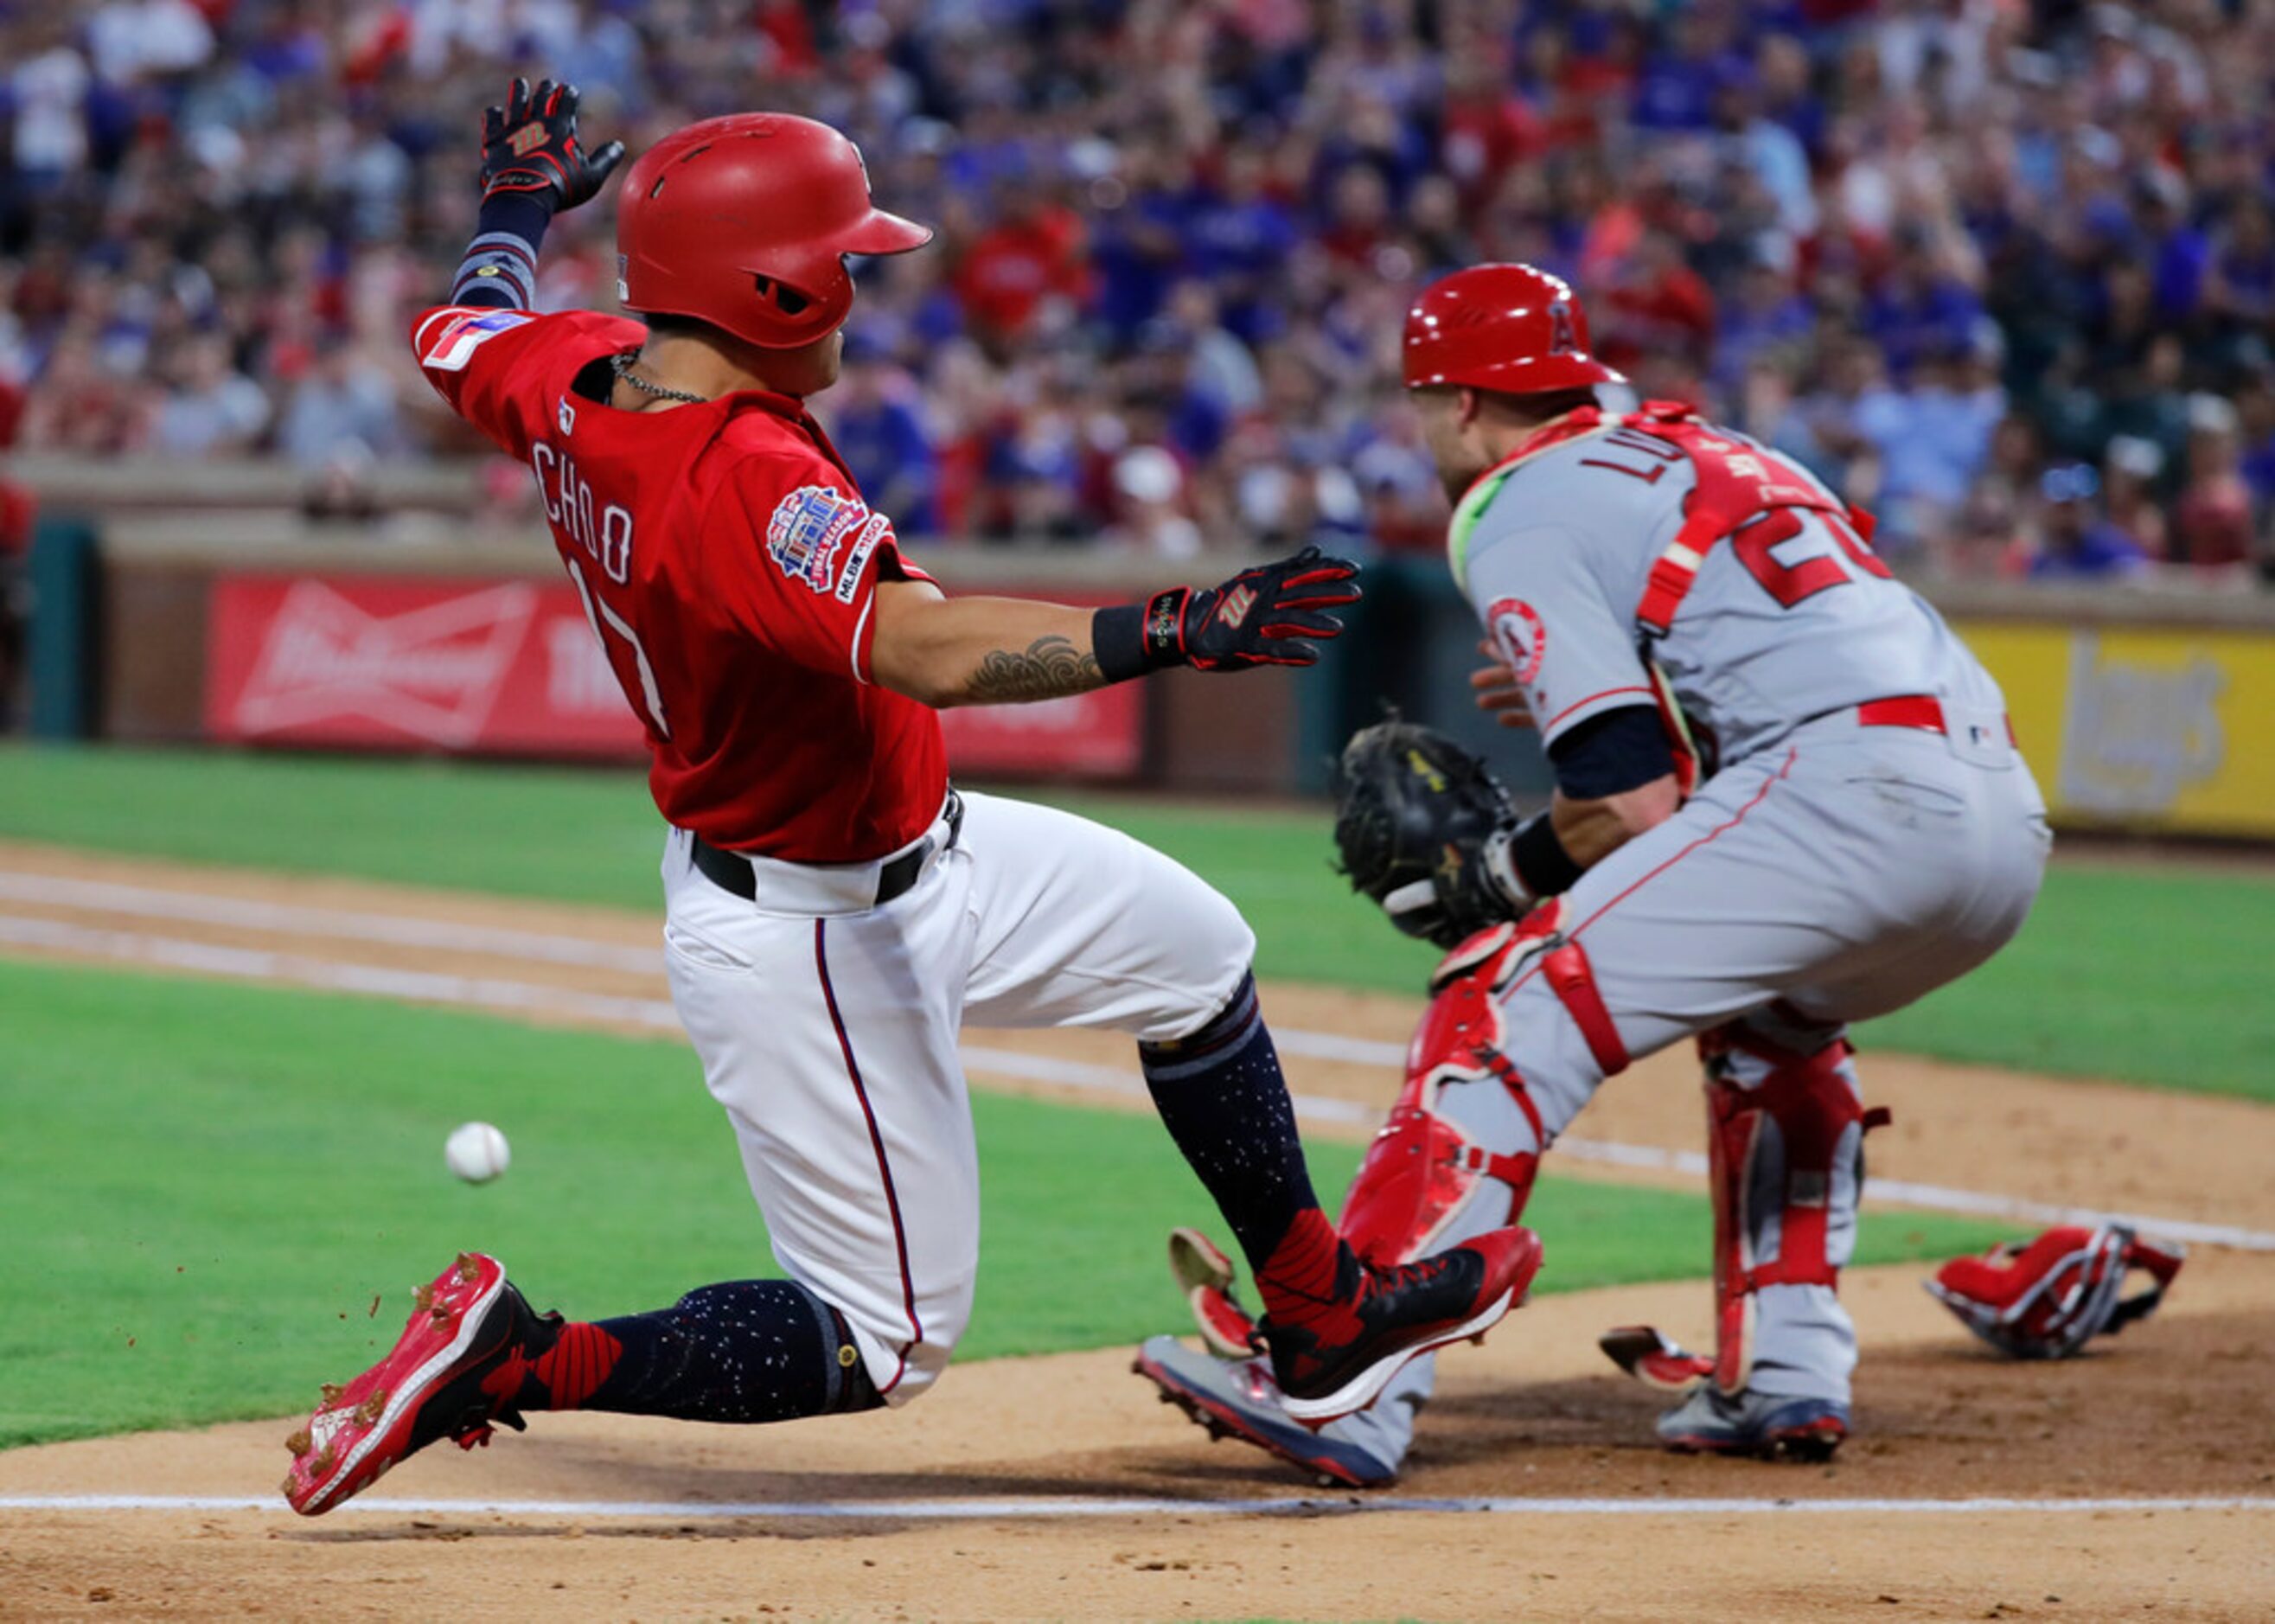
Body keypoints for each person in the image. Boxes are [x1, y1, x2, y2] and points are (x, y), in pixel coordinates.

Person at [278, 82, 1538, 1518]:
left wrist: (516, 198)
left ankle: (1319, 1315)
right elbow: (925, 648)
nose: (859, 291)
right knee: (884, 1341)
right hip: (810, 929)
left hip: (921, 854)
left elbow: (463, 331)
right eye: (843, 265)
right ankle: (517, 1360)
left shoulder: (578, 369)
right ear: (768, 287)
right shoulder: (736, 474)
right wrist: (1175, 626)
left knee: (1194, 953)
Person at [1135, 263, 2050, 1487]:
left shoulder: (1519, 499)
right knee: (1772, 1029)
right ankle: (1786, 1368)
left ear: (1459, 403)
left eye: (1423, 404)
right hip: (1997, 811)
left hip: (1846, 793)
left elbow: (1630, 801)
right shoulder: (1711, 453)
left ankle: (1343, 1378)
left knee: (1502, 995)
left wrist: (1502, 878)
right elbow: (1729, 700)